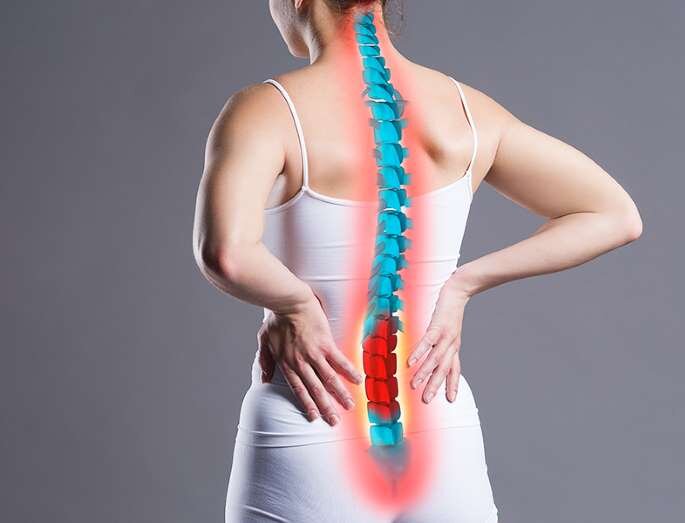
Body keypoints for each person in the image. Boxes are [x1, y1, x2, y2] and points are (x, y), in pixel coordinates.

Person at [192, 1, 642, 521]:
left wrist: (294, 304)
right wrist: (464, 283)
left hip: (313, 417)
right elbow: (615, 215)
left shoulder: (266, 110)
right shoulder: (468, 111)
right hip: (439, 425)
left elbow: (225, 252)